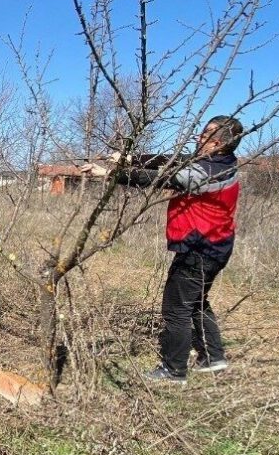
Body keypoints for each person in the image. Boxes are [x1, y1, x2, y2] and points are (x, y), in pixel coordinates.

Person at [84, 115, 243, 384]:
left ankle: (173, 370)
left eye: (204, 135)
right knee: (197, 302)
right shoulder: (219, 162)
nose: (197, 138)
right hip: (215, 246)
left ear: (216, 143)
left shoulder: (208, 172)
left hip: (199, 249)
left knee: (176, 309)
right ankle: (214, 358)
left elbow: (163, 177)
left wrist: (112, 173)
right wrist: (128, 156)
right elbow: (168, 159)